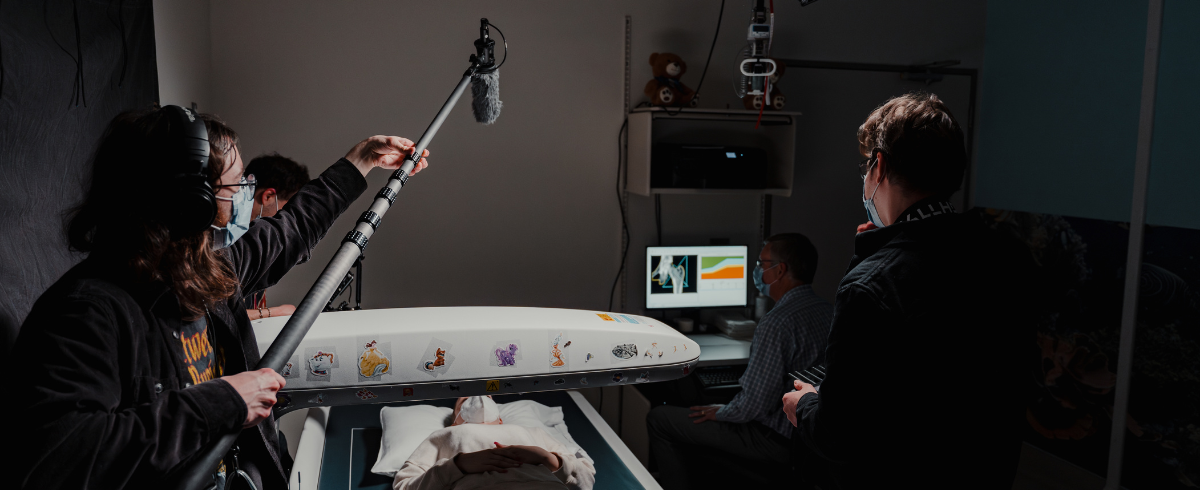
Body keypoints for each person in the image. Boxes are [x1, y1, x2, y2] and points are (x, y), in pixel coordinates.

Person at [7, 106, 428, 490]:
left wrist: (362, 160)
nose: (242, 194)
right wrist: (222, 402)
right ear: (191, 202)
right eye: (234, 185)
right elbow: (56, 458)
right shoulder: (86, 312)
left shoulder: (201, 272)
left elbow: (290, 229)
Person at [781, 92, 1033, 489]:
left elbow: (840, 434)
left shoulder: (873, 284)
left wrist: (806, 404)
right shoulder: (1008, 254)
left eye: (867, 166)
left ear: (878, 166)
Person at [646, 233, 833, 490]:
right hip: (811, 440)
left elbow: (754, 406)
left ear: (780, 270)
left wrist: (720, 411)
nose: (757, 270)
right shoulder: (830, 311)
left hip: (774, 440)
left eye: (761, 263)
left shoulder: (776, 323)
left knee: (660, 418)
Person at [392, 396, 596, 490]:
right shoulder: (443, 436)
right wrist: (458, 465)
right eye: (463, 400)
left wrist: (545, 458)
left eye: (488, 396)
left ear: (501, 419)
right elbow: (405, 486)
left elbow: (586, 479)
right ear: (455, 419)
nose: (477, 396)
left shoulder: (532, 432)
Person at [241, 153, 311, 321]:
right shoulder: (224, 242)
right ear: (268, 197)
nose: (285, 220)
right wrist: (274, 312)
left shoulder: (258, 241)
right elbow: (214, 313)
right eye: (287, 210)